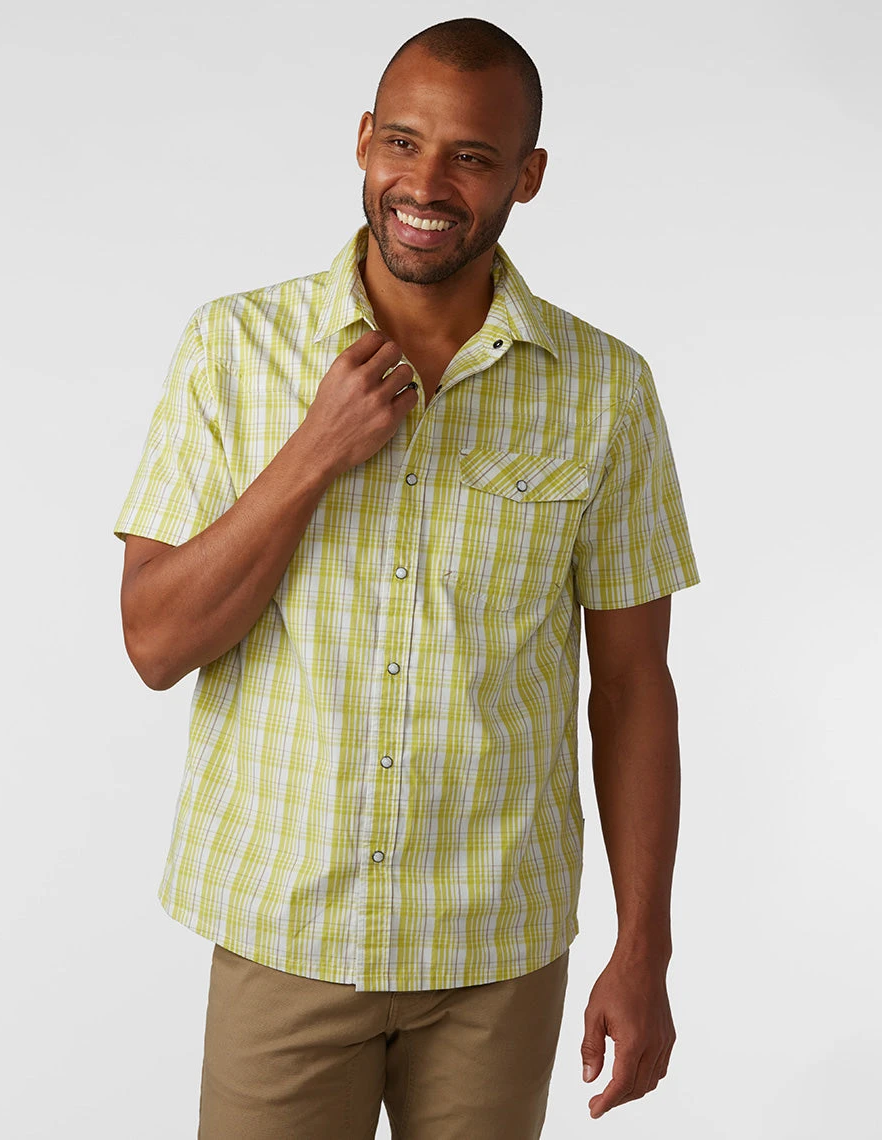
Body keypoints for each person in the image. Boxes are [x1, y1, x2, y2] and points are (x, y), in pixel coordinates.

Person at [113, 17, 700, 1139]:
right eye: (402, 142)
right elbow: (154, 643)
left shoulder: (605, 389)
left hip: (497, 951)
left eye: (471, 156)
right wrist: (314, 451)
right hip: (287, 936)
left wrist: (644, 948)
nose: (424, 185)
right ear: (361, 141)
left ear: (527, 175)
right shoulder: (232, 349)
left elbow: (633, 689)